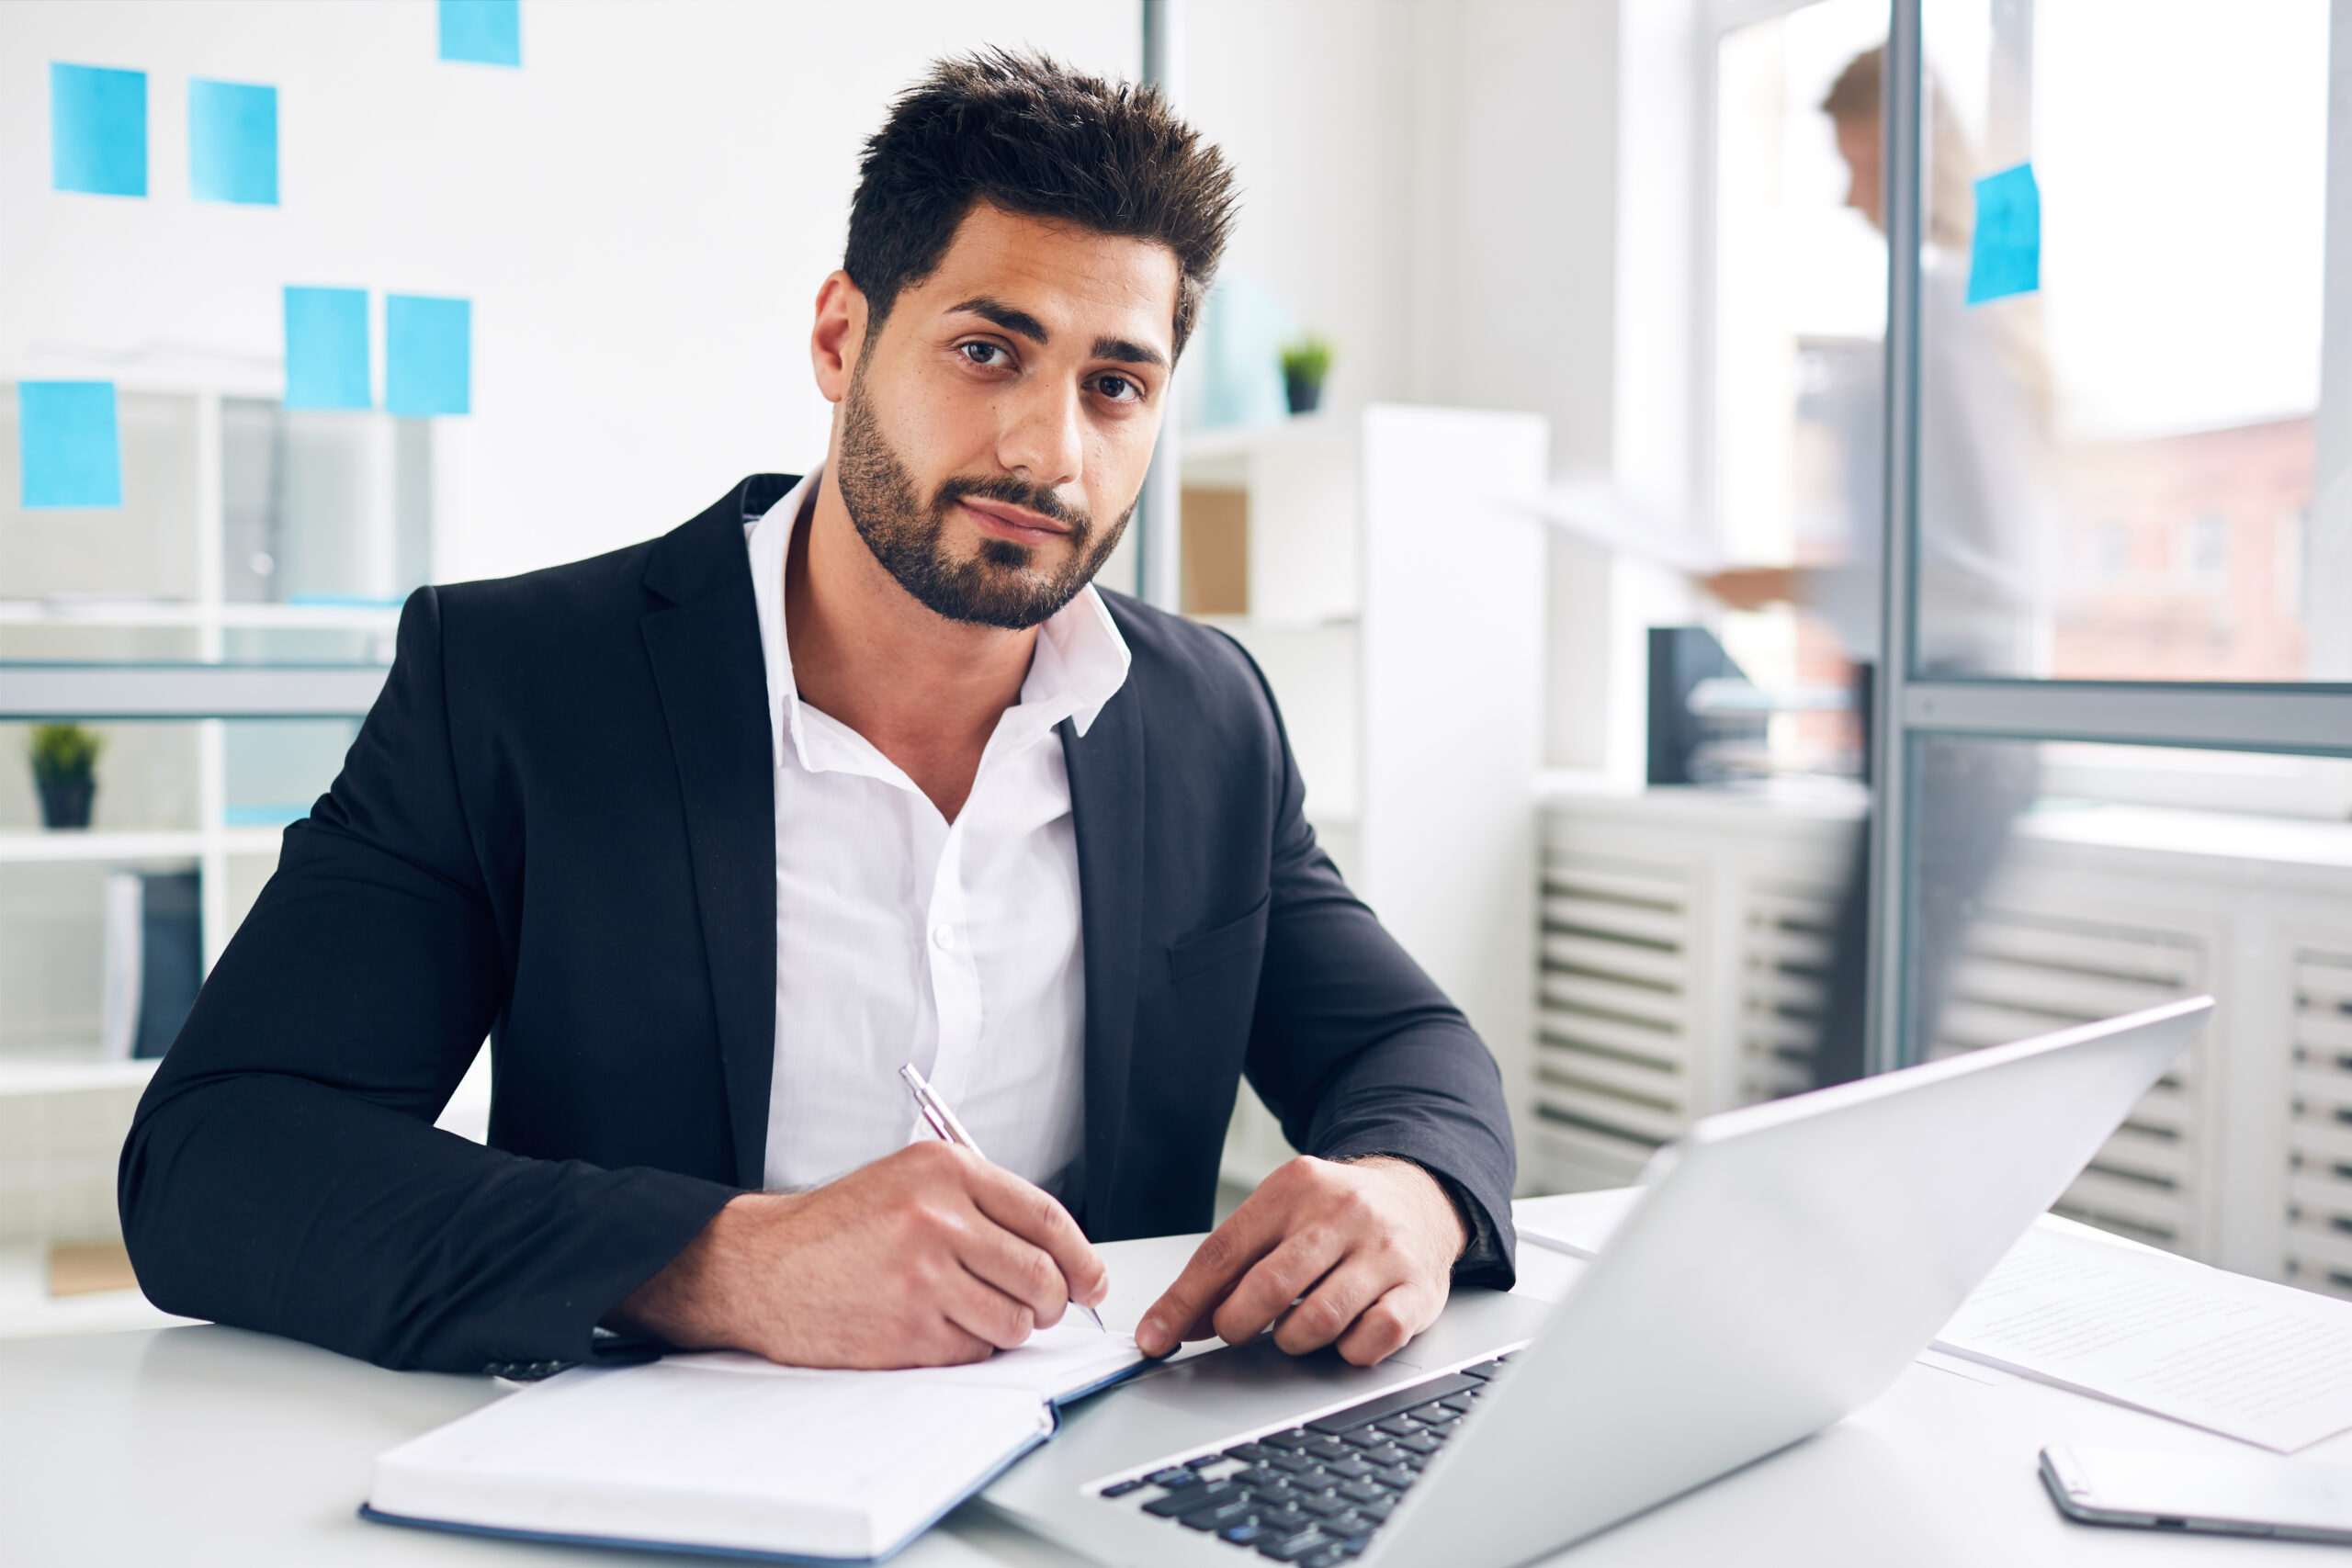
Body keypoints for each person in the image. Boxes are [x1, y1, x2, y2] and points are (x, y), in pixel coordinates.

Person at [118, 50, 1514, 1379]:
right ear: (842, 338)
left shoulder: (1208, 715)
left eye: (1114, 385)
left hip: (1089, 1477)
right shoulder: (517, 680)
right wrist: (722, 1262)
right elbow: (221, 1154)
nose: (1048, 450)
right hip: (654, 1476)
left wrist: (1412, 1188)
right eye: (986, 350)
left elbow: (1407, 1048)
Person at [1702, 45, 2047, 1085]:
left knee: (1854, 1062)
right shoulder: (1954, 312)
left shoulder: (1953, 321)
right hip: (1926, 723)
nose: (1852, 203)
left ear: (1916, 154)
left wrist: (1780, 585)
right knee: (1859, 1049)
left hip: (1952, 720)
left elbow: (1979, 573)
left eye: (1860, 165)